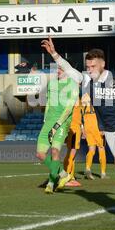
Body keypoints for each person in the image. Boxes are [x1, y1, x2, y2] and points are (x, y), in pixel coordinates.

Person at [41, 37, 115, 227]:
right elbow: (68, 69)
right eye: (87, 66)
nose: (88, 69)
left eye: (92, 66)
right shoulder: (87, 80)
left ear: (102, 64)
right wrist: (53, 54)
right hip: (110, 132)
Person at [36, 65, 79, 194]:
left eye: (61, 68)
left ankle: (51, 183)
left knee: (55, 151)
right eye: (56, 69)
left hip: (62, 123)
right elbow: (49, 102)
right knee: (40, 154)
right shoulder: (52, 84)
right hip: (48, 122)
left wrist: (57, 125)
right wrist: (45, 120)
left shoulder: (73, 85)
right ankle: (63, 174)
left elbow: (69, 108)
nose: (58, 71)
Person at [82, 96, 108, 180]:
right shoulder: (98, 96)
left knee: (91, 149)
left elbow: (81, 115)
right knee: (101, 148)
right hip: (96, 125)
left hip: (87, 125)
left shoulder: (84, 97)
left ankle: (88, 167)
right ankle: (103, 173)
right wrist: (103, 128)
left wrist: (83, 129)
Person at [63, 99, 83, 187]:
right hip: (74, 128)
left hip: (74, 127)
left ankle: (70, 176)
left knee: (71, 154)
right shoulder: (72, 97)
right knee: (72, 153)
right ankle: (66, 177)